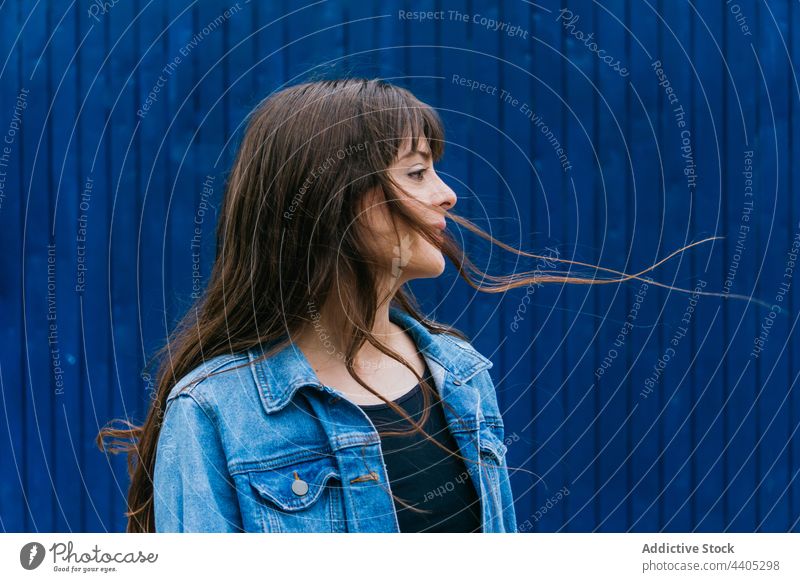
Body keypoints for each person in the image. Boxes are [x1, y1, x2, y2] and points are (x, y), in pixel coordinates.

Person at [98, 77, 713, 532]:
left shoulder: (460, 373)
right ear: (331, 199)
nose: (446, 196)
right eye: (416, 173)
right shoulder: (215, 413)